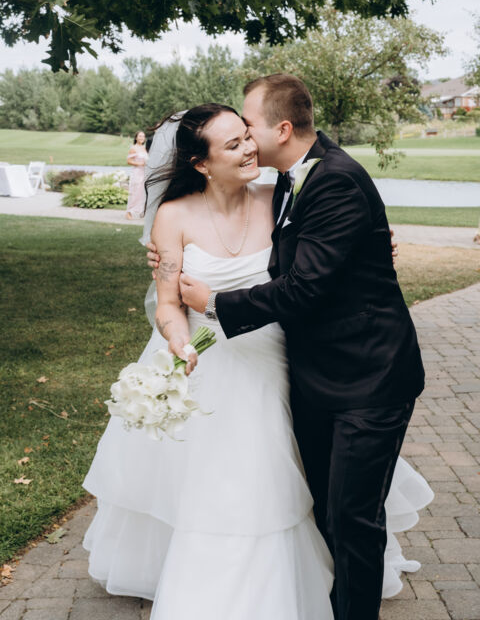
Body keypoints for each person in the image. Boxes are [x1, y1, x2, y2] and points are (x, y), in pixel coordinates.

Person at [83, 101, 432, 620]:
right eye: (233, 144)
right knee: (221, 482)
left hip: (282, 361)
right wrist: (178, 342)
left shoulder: (281, 198)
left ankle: (322, 583)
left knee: (304, 480)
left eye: (247, 135)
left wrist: (377, 244)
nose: (250, 148)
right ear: (201, 164)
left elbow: (330, 251)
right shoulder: (173, 218)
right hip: (210, 364)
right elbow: (170, 306)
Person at [126, 130, 148, 220]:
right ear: (136, 138)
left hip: (144, 173)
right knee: (134, 192)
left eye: (143, 136)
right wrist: (140, 164)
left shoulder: (144, 148)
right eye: (140, 136)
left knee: (142, 193)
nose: (142, 138)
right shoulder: (133, 148)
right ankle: (129, 212)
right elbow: (128, 161)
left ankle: (140, 211)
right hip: (137, 172)